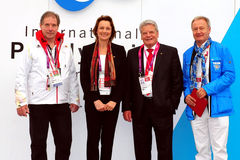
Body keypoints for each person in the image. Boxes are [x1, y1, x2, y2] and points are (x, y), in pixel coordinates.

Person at [15, 11, 80, 160]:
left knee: (64, 143)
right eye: (47, 25)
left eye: (54, 25)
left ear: (58, 27)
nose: (50, 28)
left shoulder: (65, 48)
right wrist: (21, 102)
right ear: (40, 26)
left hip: (61, 104)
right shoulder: (31, 47)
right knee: (38, 145)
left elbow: (72, 75)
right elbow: (21, 75)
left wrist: (74, 99)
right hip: (38, 104)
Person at [122, 19, 183, 160]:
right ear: (141, 35)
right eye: (145, 33)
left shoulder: (170, 52)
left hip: (163, 109)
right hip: (139, 109)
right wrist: (126, 107)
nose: (148, 35)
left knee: (165, 149)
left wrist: (171, 104)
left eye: (151, 32)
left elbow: (177, 81)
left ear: (157, 33)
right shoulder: (132, 54)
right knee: (141, 149)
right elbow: (127, 83)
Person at [183, 16, 235, 160]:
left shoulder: (221, 49)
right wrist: (187, 95)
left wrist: (207, 89)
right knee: (201, 149)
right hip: (196, 106)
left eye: (201, 28)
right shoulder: (188, 54)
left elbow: (230, 75)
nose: (198, 31)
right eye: (195, 29)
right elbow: (186, 81)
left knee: (219, 149)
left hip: (217, 105)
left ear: (209, 30)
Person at [80, 15, 126, 160]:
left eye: (107, 28)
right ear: (96, 30)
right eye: (101, 28)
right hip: (94, 101)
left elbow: (123, 79)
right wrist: (94, 100)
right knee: (92, 140)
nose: (104, 31)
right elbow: (84, 79)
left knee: (108, 141)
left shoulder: (119, 50)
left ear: (112, 31)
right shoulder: (87, 50)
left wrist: (115, 100)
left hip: (112, 103)